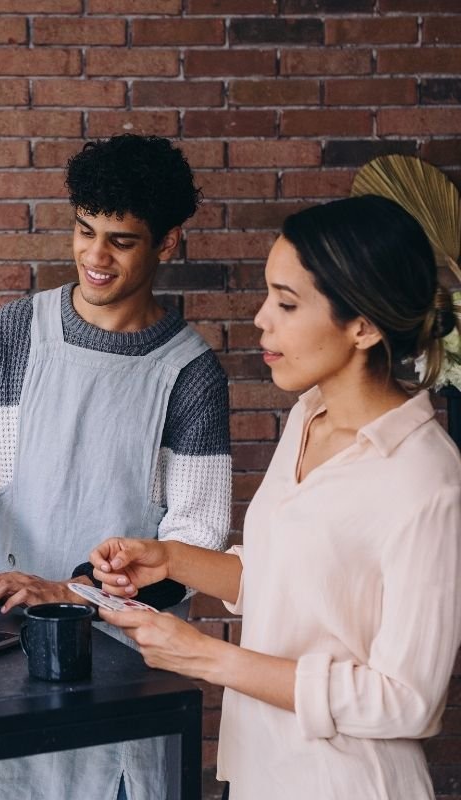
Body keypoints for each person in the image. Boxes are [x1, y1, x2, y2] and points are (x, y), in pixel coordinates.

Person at [0, 134, 232, 800]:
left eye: (120, 241)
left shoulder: (190, 375)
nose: (95, 257)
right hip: (12, 657)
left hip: (127, 666)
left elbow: (196, 542)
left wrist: (70, 592)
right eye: (85, 231)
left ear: (167, 243)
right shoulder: (15, 332)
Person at [89, 194, 461, 800]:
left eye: (287, 303)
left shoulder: (428, 482)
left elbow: (409, 701)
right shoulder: (308, 417)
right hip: (264, 775)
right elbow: (289, 583)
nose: (262, 318)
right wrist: (172, 559)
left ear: (362, 326)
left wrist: (207, 659)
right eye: (269, 294)